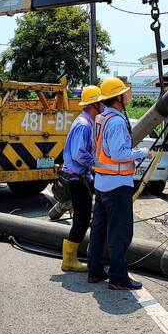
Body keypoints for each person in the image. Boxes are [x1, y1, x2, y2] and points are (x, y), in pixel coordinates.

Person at [87, 77, 152, 290]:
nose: (129, 93)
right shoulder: (115, 122)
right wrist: (142, 152)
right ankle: (118, 276)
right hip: (117, 184)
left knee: (99, 229)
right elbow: (118, 153)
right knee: (120, 233)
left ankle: (95, 270)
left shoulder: (101, 118)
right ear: (118, 98)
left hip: (103, 182)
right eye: (125, 91)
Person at [59, 84, 103, 272]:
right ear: (95, 104)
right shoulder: (84, 125)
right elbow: (78, 154)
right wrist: (98, 162)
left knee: (84, 218)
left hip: (82, 177)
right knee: (82, 219)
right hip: (78, 178)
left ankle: (71, 257)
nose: (103, 105)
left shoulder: (87, 122)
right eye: (101, 102)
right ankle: (69, 260)